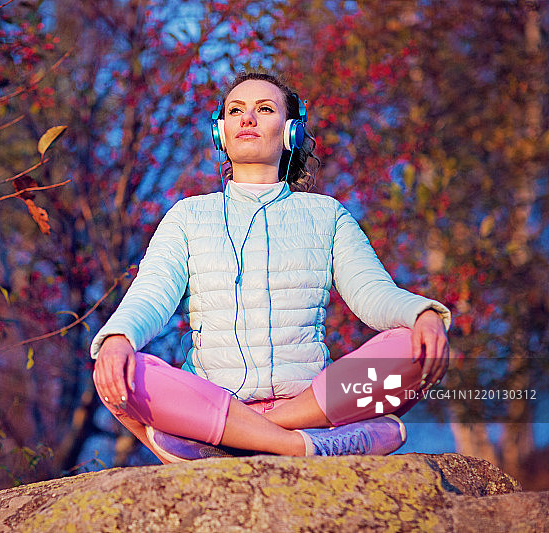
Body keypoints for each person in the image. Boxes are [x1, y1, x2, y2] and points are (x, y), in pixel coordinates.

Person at [90, 71, 451, 462]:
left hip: (309, 403)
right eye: (235, 110)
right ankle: (299, 446)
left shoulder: (327, 215)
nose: (247, 119)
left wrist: (423, 315)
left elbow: (373, 294)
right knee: (119, 368)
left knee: (412, 347)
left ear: (291, 132)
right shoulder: (187, 217)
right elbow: (152, 293)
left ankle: (236, 442)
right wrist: (118, 338)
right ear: (221, 133)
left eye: (264, 109)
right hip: (214, 400)